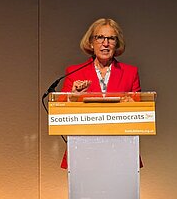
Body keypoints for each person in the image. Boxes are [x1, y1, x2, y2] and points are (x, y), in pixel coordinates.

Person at [60, 18, 142, 169]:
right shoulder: (74, 72)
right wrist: (73, 98)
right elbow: (60, 112)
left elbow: (140, 113)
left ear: (116, 43)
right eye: (100, 37)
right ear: (91, 42)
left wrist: (131, 105)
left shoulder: (130, 73)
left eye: (111, 38)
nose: (106, 43)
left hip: (121, 150)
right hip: (84, 150)